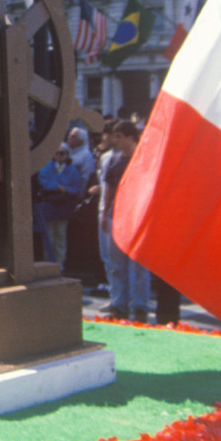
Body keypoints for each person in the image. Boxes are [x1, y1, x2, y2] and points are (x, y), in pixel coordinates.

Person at [95, 120, 148, 321]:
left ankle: (140, 306)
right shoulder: (114, 160)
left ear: (130, 137)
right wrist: (105, 212)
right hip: (116, 217)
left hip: (137, 216)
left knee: (139, 265)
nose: (114, 140)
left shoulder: (142, 159)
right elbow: (109, 188)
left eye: (118, 136)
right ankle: (119, 304)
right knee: (116, 264)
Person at [32, 143, 85, 264]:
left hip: (63, 206)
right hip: (49, 205)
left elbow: (77, 187)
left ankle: (60, 263)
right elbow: (42, 182)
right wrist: (56, 186)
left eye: (63, 153)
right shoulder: (46, 168)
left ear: (67, 155)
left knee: (61, 235)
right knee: (48, 235)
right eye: (57, 153)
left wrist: (66, 189)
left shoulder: (73, 170)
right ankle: (49, 262)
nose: (60, 156)